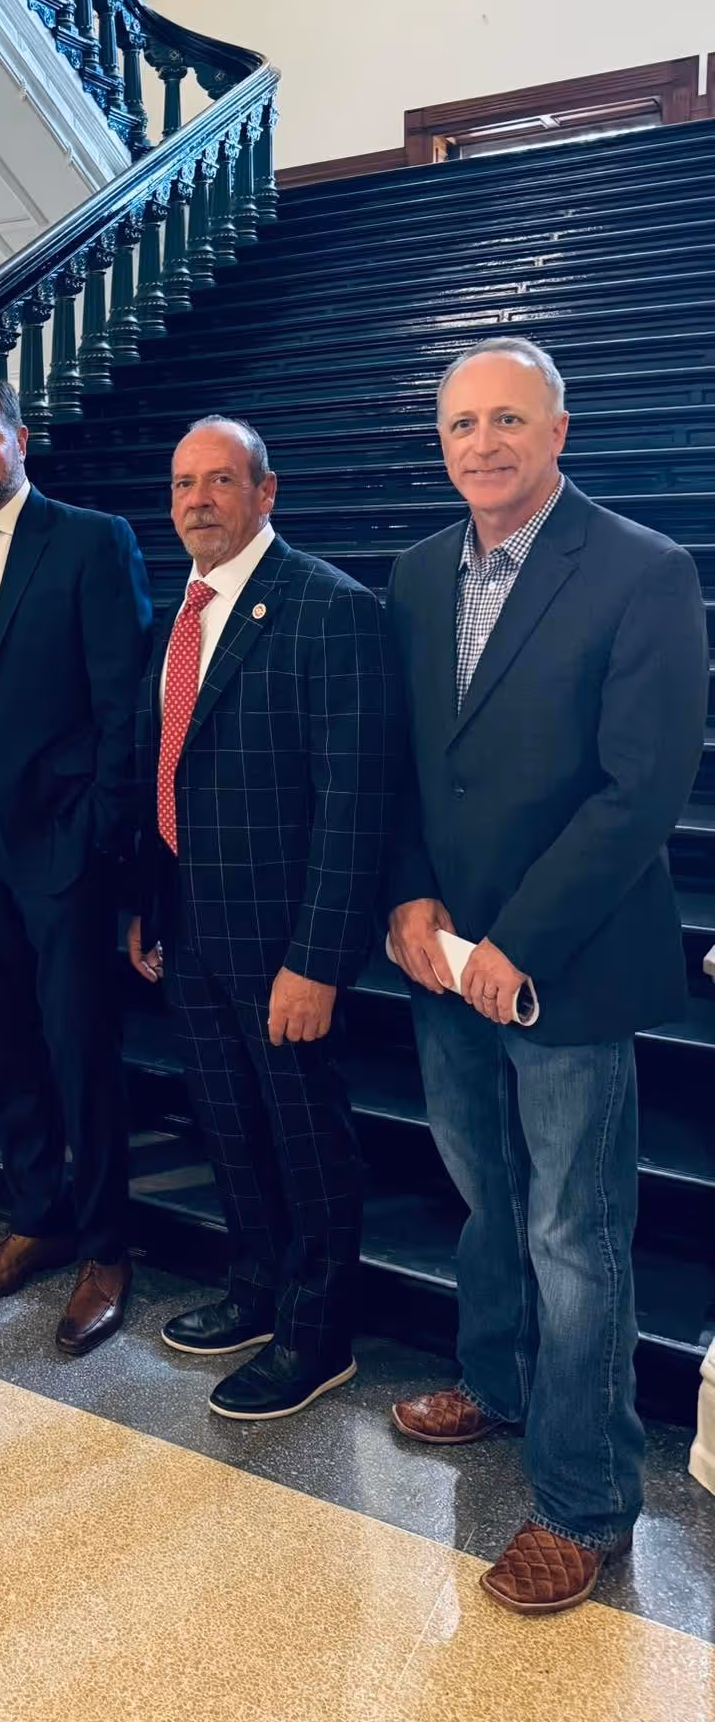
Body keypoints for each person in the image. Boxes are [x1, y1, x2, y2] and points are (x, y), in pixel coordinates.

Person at [385, 335, 706, 1614]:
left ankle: (583, 1499)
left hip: (563, 967)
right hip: (440, 959)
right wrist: (409, 897)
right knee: (484, 1191)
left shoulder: (642, 569)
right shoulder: (414, 575)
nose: (484, 443)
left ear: (559, 431)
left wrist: (519, 939)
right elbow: (404, 763)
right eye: (462, 423)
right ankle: (501, 1381)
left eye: (509, 419)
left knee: (576, 1231)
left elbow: (642, 794)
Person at [128, 418, 398, 1419]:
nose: (198, 499)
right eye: (183, 482)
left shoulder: (331, 609)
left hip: (284, 940)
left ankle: (319, 1333)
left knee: (303, 1134)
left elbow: (355, 803)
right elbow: (171, 770)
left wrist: (319, 959)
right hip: (190, 927)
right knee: (230, 1125)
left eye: (221, 481)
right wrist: (149, 908)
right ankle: (255, 1287)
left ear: (265, 491)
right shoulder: (181, 609)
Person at [0, 368, 152, 1353]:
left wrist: (101, 835)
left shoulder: (92, 540)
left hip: (62, 843)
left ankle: (106, 1244)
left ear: (19, 436)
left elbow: (123, 704)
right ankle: (37, 1215)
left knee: (79, 1048)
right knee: (5, 1041)